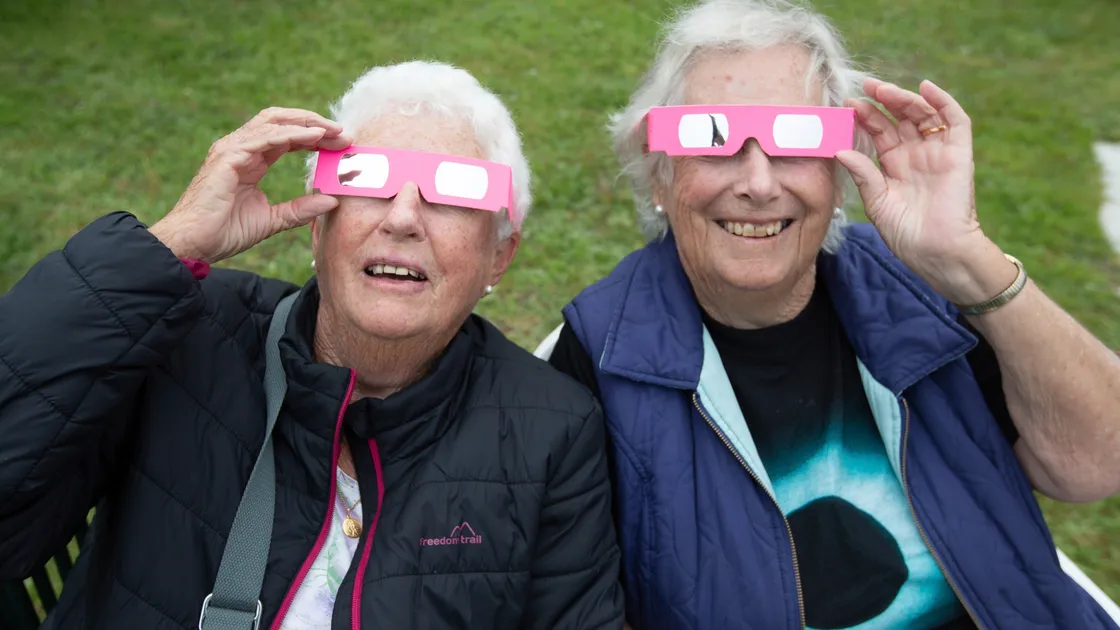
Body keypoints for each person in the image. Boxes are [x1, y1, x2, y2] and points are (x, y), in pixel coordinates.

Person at [546, 1, 1120, 628]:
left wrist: (968, 261)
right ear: (659, 174)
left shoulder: (922, 290)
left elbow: (1095, 465)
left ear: (841, 171)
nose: (759, 183)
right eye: (710, 136)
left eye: (797, 137)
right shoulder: (596, 356)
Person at [0, 60, 624, 629]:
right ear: (318, 226)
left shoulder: (554, 430)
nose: (403, 217)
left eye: (454, 189)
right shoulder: (187, 331)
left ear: (499, 257)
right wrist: (162, 253)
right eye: (368, 178)